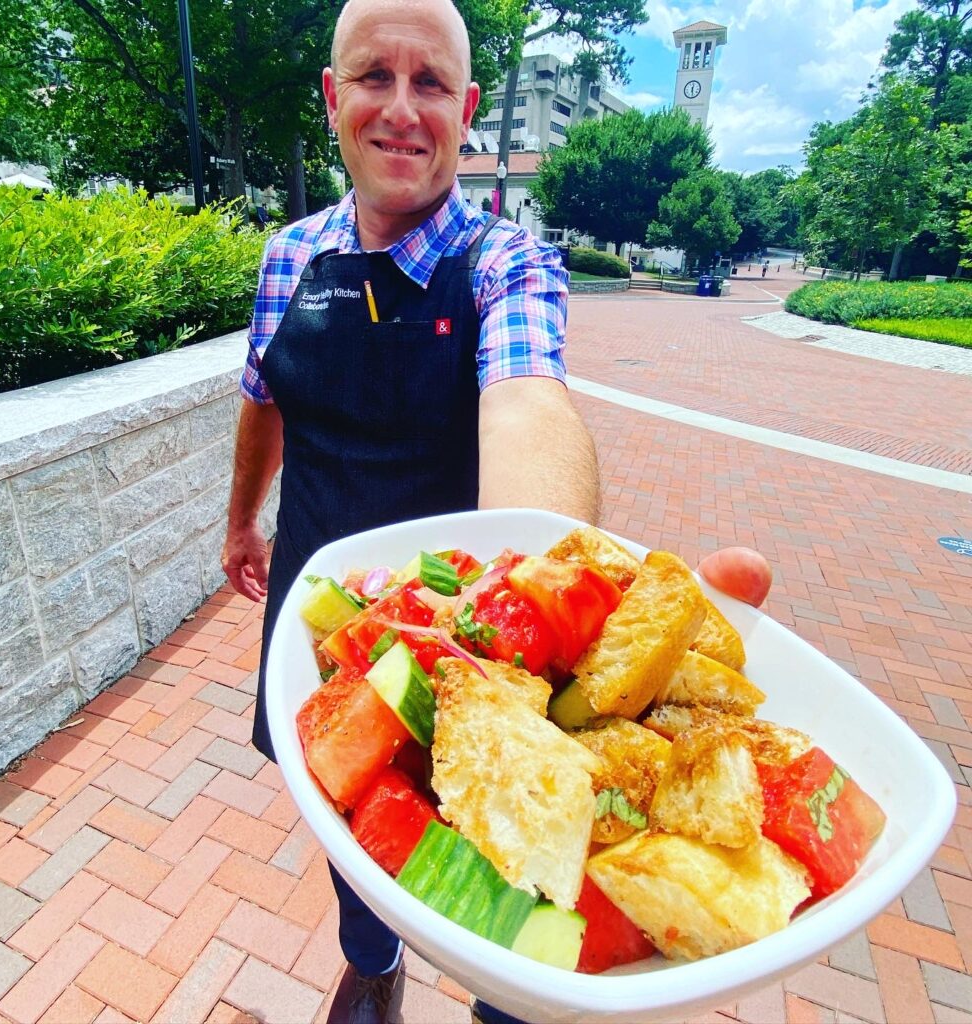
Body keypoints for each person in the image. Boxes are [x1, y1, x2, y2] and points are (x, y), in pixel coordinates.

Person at [221, 2, 771, 1022]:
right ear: (333, 97)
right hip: (319, 607)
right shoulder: (288, 254)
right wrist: (240, 522)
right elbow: (263, 397)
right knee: (345, 801)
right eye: (374, 76)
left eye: (429, 82)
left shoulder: (503, 263)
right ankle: (371, 959)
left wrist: (555, 595)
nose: (401, 107)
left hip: (472, 641)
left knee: (513, 828)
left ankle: (509, 1000)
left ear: (466, 107)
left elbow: (528, 401)